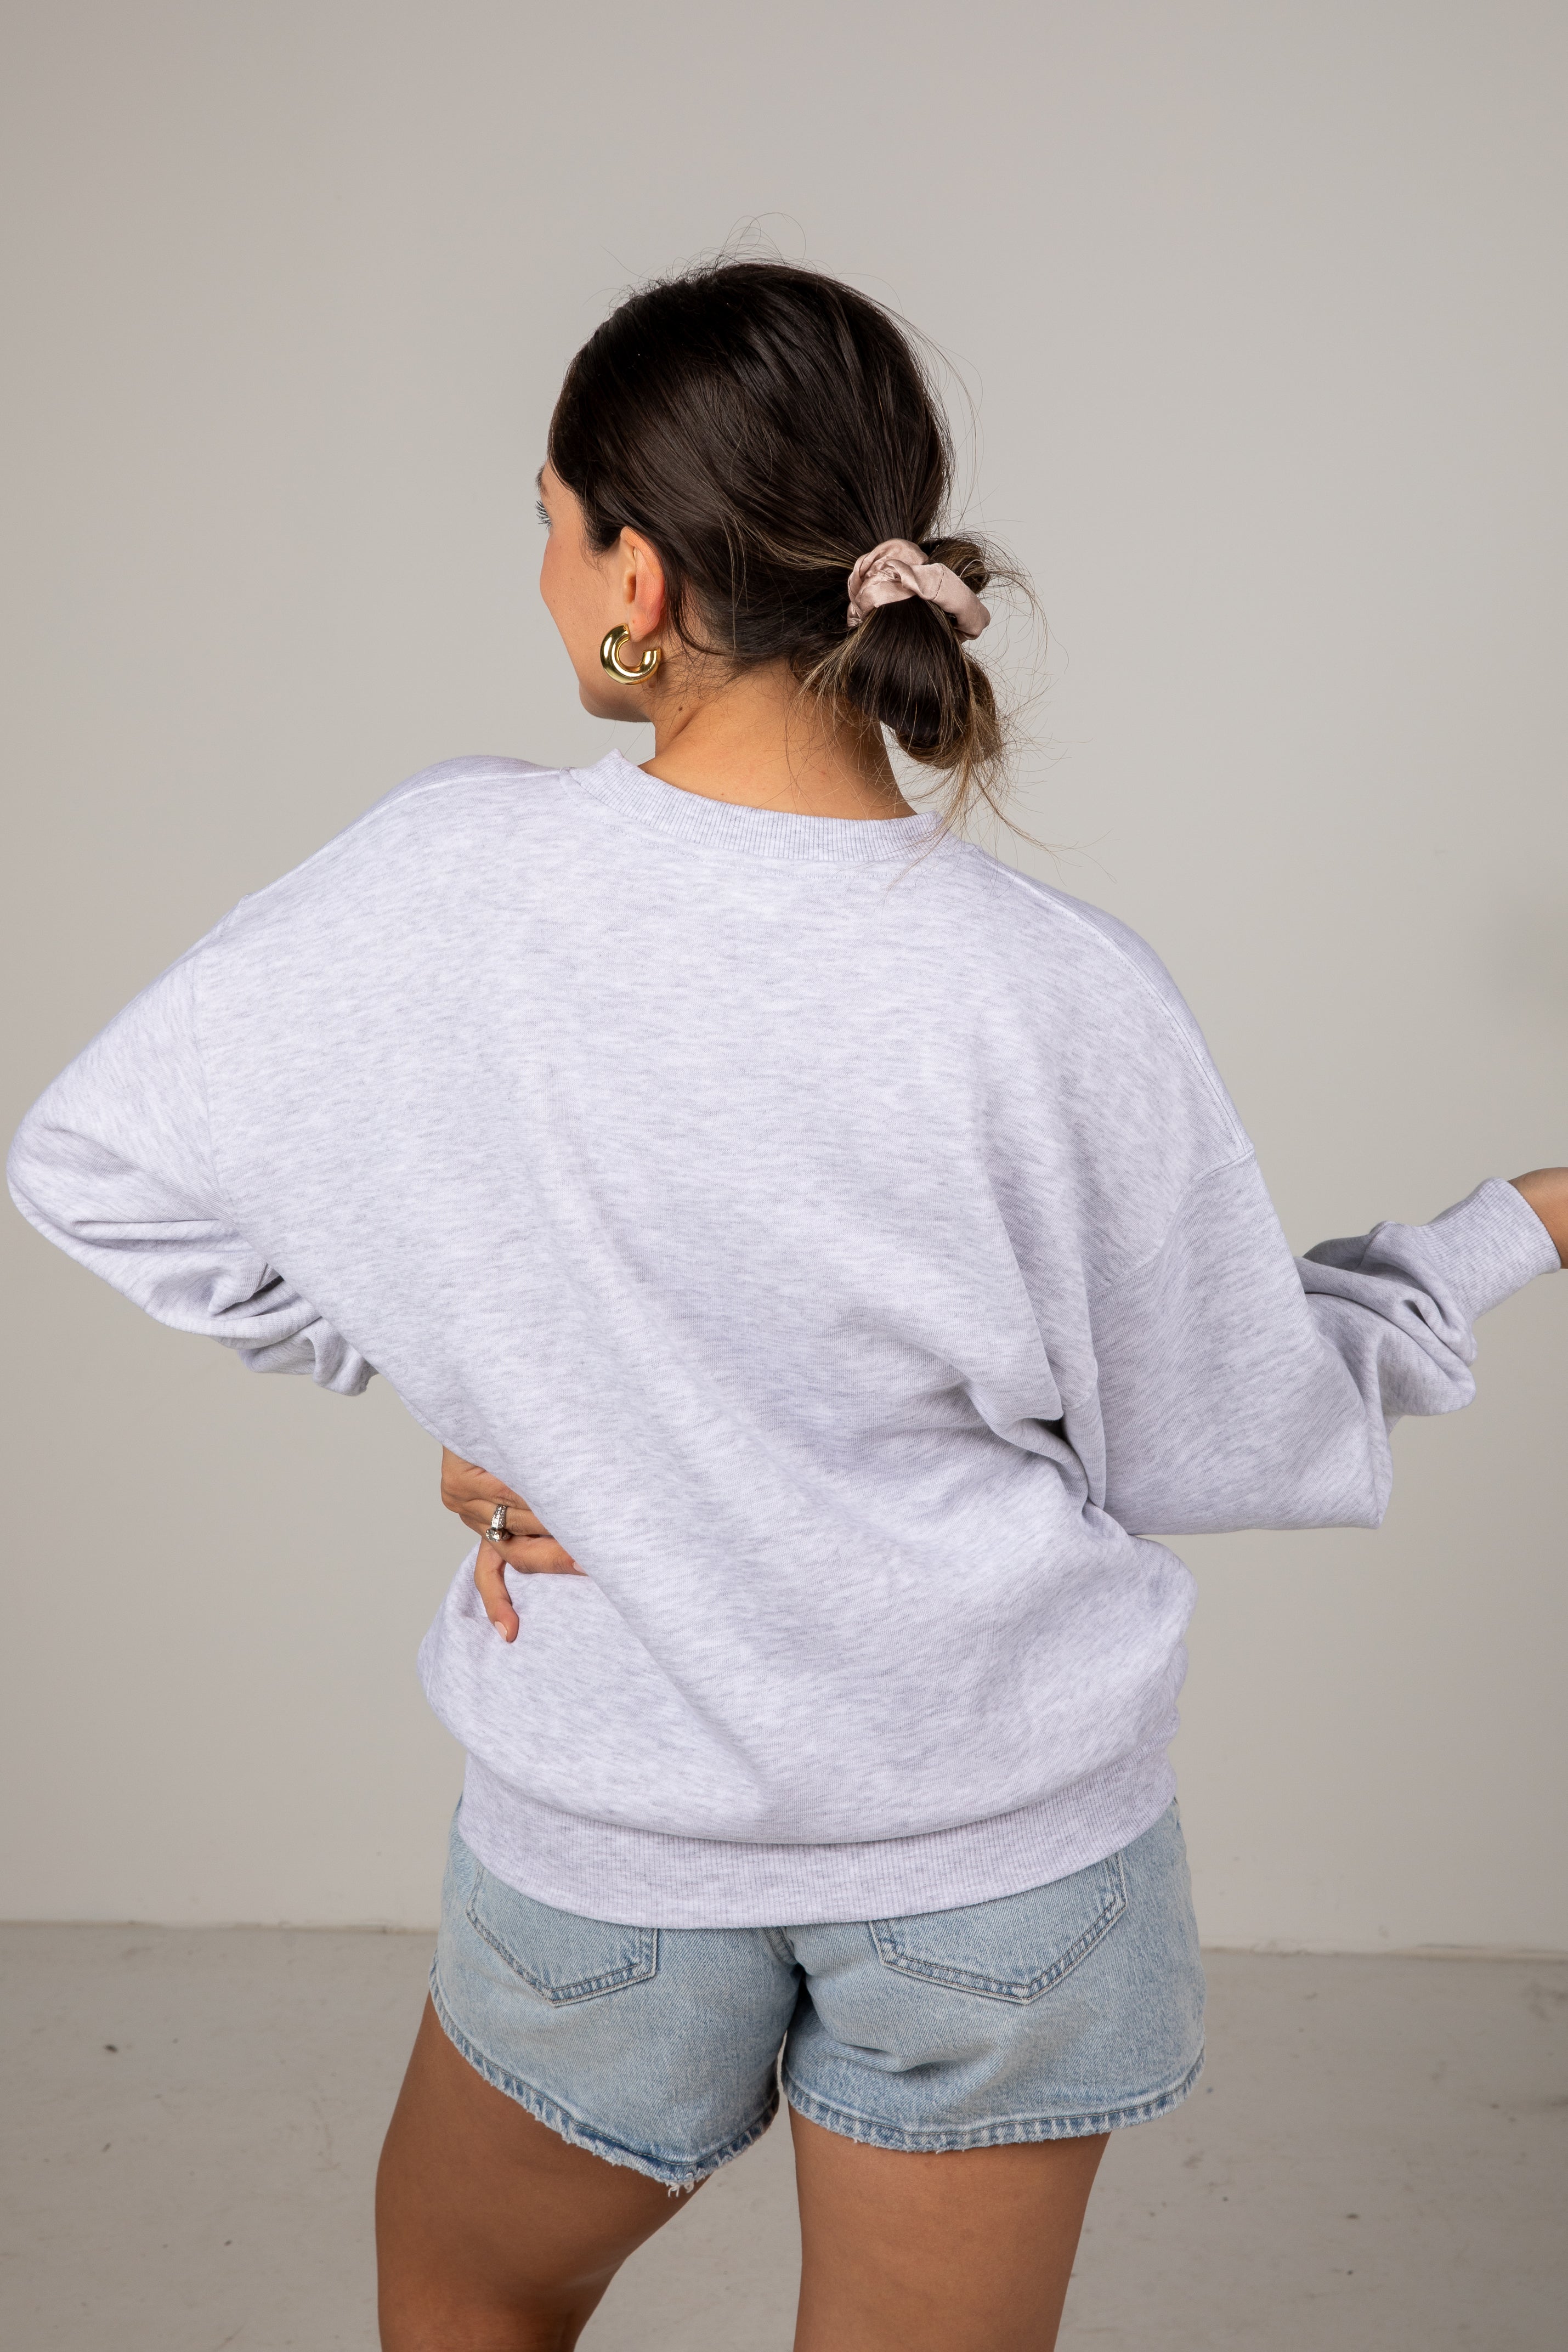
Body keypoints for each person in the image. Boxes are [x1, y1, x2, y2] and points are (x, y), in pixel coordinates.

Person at [9, 257, 1564, 2352]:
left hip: (613, 1836)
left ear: (636, 571)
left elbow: (85, 1161)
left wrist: (466, 1376)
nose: (546, 581)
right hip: (1002, 1857)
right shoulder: (1053, 991)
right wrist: (1510, 1226)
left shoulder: (433, 882)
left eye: (550, 530)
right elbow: (1229, 1430)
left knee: (462, 2301)